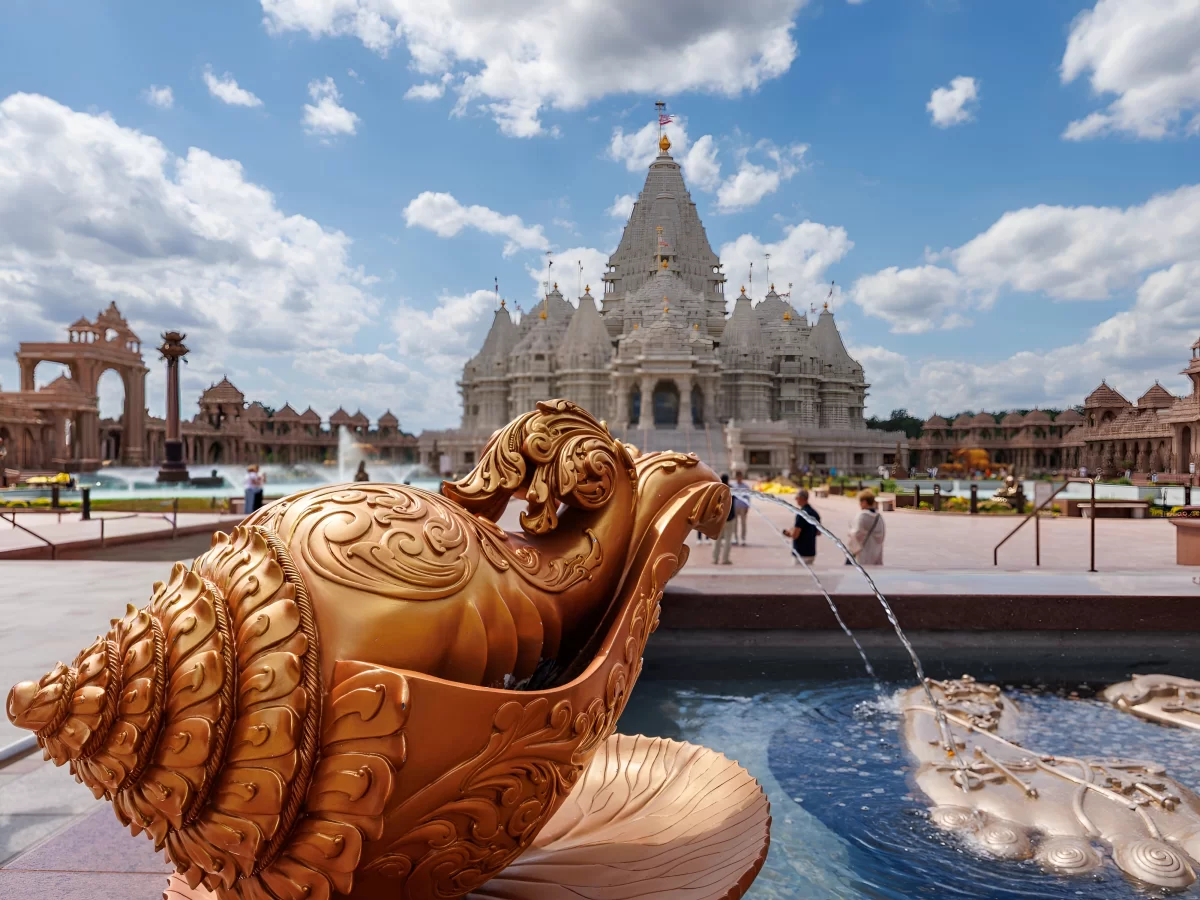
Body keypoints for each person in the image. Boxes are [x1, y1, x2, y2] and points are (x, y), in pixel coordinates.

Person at [847, 488, 886, 566]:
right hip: (877, 554)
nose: (859, 504)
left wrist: (850, 531)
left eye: (860, 502)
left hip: (864, 554)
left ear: (864, 502)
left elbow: (857, 533)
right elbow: (882, 535)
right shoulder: (879, 517)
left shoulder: (862, 516)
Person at [784, 488, 821, 566]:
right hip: (811, 552)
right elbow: (818, 532)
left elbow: (795, 535)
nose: (796, 499)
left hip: (801, 553)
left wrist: (789, 533)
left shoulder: (801, 514)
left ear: (802, 498)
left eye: (796, 497)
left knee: (798, 576)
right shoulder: (815, 513)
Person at [712, 474, 736, 565]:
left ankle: (715, 559)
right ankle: (725, 559)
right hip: (730, 518)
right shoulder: (731, 489)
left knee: (716, 540)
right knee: (728, 540)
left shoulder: (716, 490)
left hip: (719, 520)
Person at [732, 471, 751, 545]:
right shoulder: (733, 486)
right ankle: (735, 538)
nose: (739, 478)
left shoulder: (745, 486)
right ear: (736, 477)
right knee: (734, 523)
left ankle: (743, 538)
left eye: (740, 477)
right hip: (735, 507)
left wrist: (747, 507)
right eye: (738, 477)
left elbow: (748, 497)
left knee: (743, 523)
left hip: (743, 507)